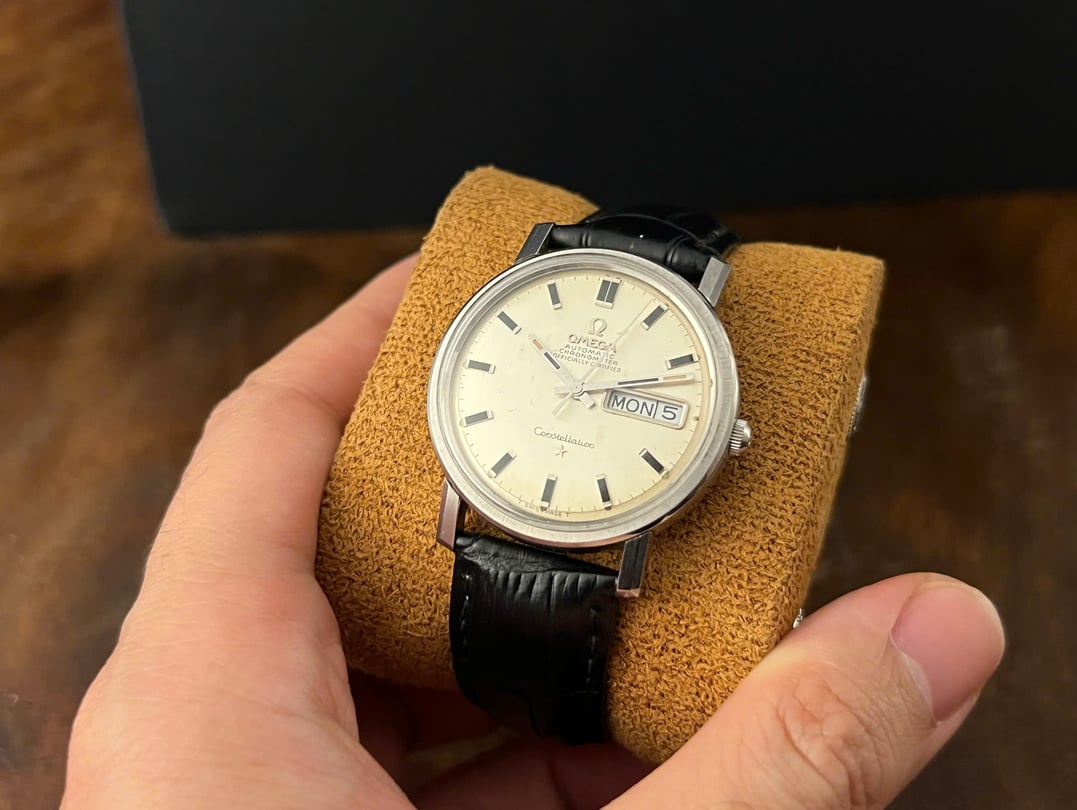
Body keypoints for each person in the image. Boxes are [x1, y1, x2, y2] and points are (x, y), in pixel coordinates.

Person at [61, 254, 1005, 809]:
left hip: (610, 531)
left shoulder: (694, 440)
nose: (584, 391)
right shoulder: (478, 413)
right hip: (485, 504)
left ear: (731, 429)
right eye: (574, 381)